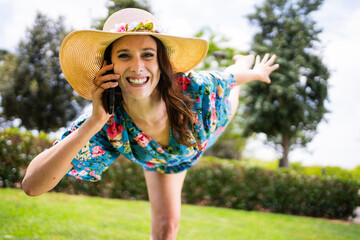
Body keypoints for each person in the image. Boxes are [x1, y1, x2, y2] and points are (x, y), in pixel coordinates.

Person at [22, 8, 279, 240]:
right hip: (165, 161)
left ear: (161, 62)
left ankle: (241, 59)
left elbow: (230, 78)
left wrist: (254, 72)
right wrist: (94, 121)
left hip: (211, 122)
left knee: (231, 96)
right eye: (124, 56)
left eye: (148, 54)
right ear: (108, 67)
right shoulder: (109, 123)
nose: (137, 67)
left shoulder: (196, 87)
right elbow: (32, 186)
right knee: (167, 230)